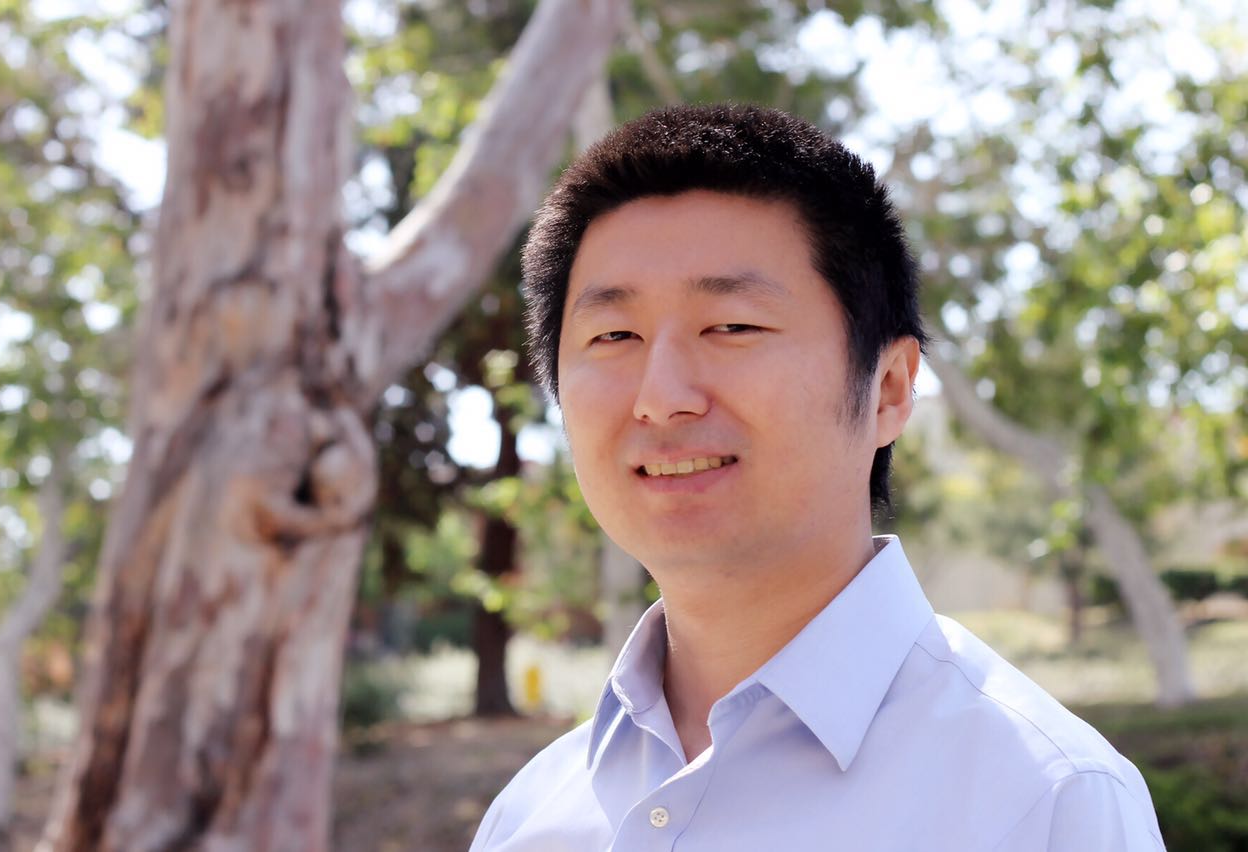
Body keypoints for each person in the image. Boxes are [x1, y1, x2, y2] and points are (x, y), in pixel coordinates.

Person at [469, 104, 1164, 851]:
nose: (661, 395)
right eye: (614, 335)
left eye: (731, 326)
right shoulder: (528, 818)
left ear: (890, 389)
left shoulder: (1043, 803)